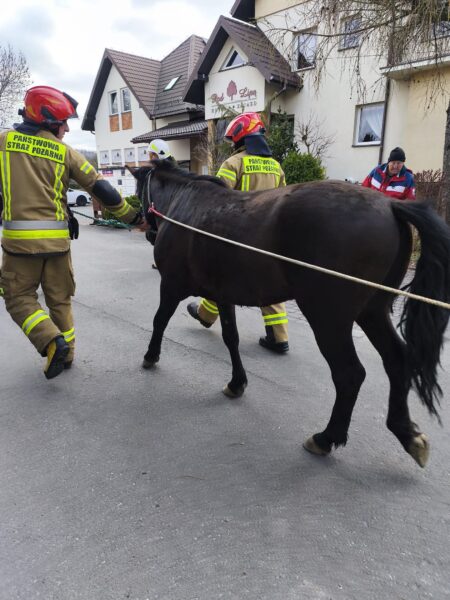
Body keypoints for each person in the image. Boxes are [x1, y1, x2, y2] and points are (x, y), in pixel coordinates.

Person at [0, 85, 143, 380]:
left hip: (19, 247)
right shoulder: (65, 152)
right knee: (60, 299)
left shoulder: (4, 142)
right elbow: (101, 188)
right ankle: (67, 354)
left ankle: (52, 341)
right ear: (48, 120)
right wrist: (133, 217)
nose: (66, 128)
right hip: (58, 243)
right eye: (63, 123)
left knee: (18, 297)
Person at [186, 112, 289, 354]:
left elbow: (217, 198)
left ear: (241, 138)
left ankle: (206, 315)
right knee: (269, 282)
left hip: (240, 237)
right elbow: (284, 199)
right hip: (269, 238)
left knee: (219, 276)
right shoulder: (276, 166)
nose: (232, 144)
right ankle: (279, 336)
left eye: (234, 140)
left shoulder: (233, 163)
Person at [146, 139, 174, 268]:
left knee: (163, 239)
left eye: (150, 155)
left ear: (154, 156)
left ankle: (163, 262)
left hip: (165, 214)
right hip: (173, 212)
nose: (149, 158)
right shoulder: (174, 170)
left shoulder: (158, 175)